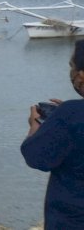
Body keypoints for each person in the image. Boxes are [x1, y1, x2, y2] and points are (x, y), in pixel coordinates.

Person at [22, 40, 84, 228]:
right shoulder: (71, 114)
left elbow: (37, 157)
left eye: (72, 67)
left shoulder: (70, 114)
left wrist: (34, 126)